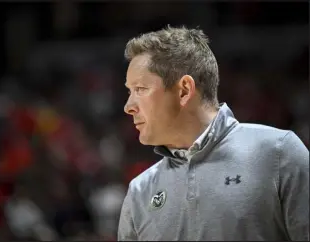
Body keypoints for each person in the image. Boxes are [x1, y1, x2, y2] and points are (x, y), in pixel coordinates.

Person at [118, 26, 309, 241]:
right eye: (129, 91)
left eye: (140, 89)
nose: (128, 106)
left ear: (184, 91)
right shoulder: (140, 191)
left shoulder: (279, 153)